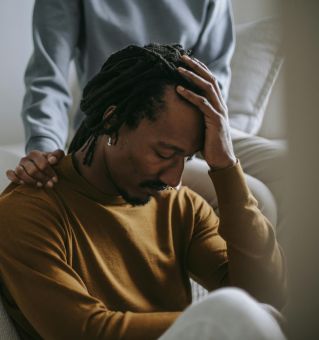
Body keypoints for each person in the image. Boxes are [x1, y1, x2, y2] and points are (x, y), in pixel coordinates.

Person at [0, 44, 286, 339]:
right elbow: (83, 332)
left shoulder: (181, 206)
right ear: (113, 121)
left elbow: (264, 297)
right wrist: (217, 320)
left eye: (186, 158)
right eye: (164, 153)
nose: (174, 177)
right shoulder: (27, 212)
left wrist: (225, 165)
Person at [6, 0, 282, 230]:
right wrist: (44, 149)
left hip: (193, 126)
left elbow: (215, 76)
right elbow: (48, 77)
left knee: (290, 169)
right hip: (126, 126)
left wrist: (214, 149)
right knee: (258, 197)